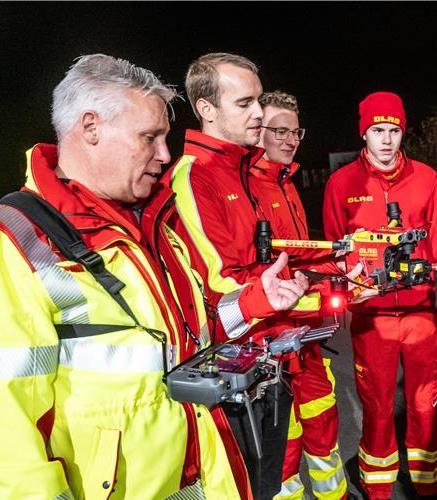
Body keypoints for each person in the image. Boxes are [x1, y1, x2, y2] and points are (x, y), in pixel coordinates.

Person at [0, 54, 309, 499]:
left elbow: (190, 336)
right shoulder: (9, 239)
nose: (165, 154)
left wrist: (255, 301)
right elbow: (0, 432)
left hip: (204, 481)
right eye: (149, 137)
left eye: (165, 137)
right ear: (90, 128)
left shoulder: (154, 224)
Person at [165, 52, 314, 499]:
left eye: (258, 101)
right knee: (254, 482)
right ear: (207, 109)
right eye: (245, 103)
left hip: (269, 358)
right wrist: (279, 296)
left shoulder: (244, 169)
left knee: (274, 475)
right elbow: (218, 286)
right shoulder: (195, 175)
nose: (259, 113)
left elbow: (272, 262)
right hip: (234, 371)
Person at [323, 91, 437, 499]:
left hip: (419, 312)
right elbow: (333, 249)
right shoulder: (341, 183)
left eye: (394, 130)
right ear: (364, 134)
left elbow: (431, 243)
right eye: (378, 131)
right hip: (371, 317)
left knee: (424, 404)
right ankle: (378, 488)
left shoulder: (426, 178)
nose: (387, 140)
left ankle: (428, 485)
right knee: (375, 406)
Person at [249, 90, 348, 499]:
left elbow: (301, 256)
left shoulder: (286, 183)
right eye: (280, 131)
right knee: (284, 449)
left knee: (324, 427)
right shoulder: (247, 186)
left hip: (306, 337)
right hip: (272, 343)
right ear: (258, 132)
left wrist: (342, 264)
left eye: (296, 132)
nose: (290, 140)